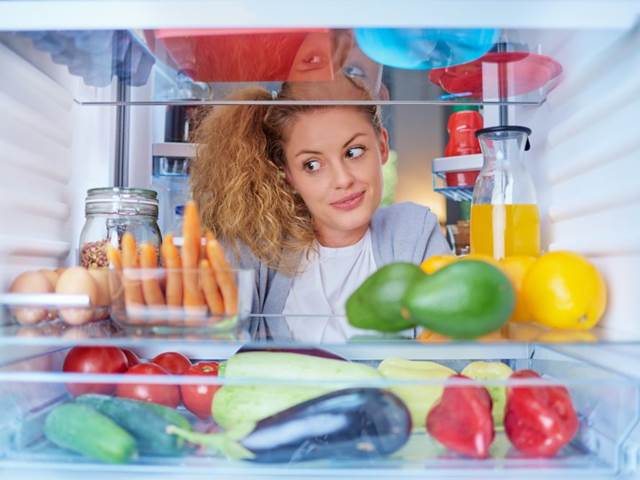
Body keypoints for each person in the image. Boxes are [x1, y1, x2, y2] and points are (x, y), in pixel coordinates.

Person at [191, 71, 450, 343]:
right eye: (312, 165)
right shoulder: (259, 249)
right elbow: (214, 344)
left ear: (382, 146)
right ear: (288, 175)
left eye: (353, 152)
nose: (342, 180)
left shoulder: (413, 231)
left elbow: (452, 349)